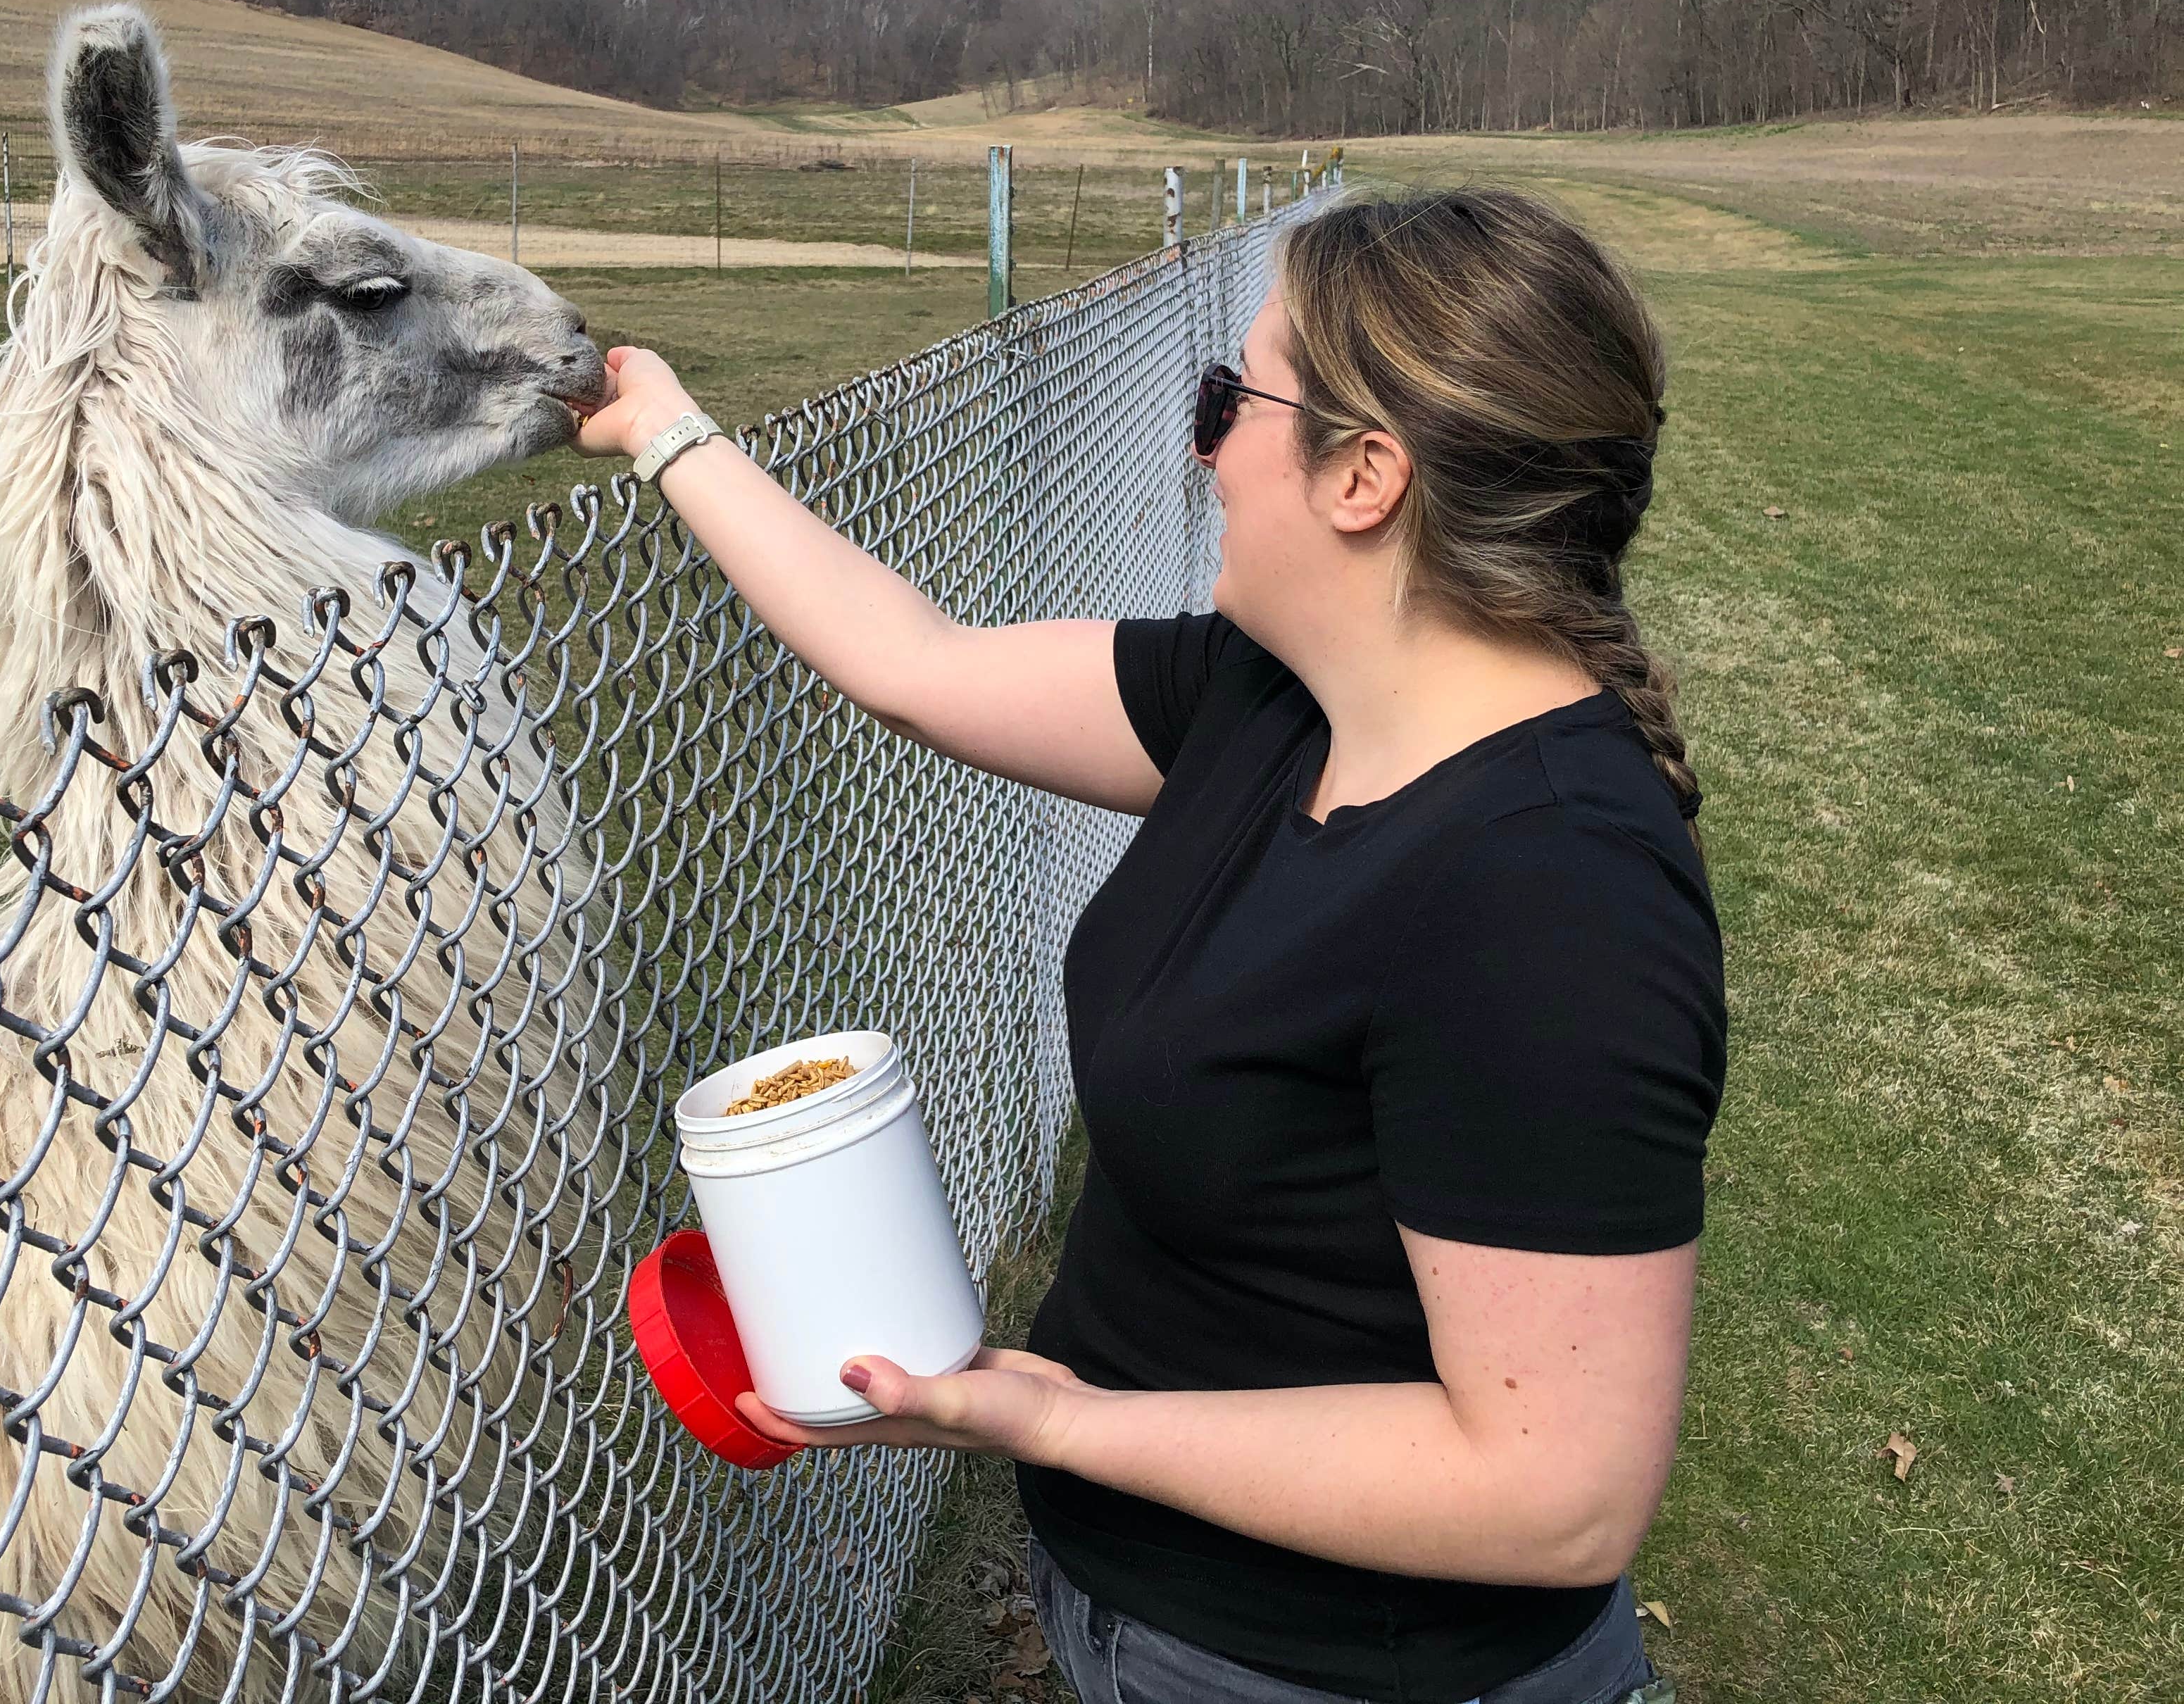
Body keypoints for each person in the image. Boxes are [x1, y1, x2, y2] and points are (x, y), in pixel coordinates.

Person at [573, 186, 1721, 1704]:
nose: (1203, 447)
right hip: (1150, 1612)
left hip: (1334, 1671)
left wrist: (1062, 1426)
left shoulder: (1549, 896)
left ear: (1366, 476)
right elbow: (918, 663)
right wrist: (666, 431)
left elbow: (1554, 1495)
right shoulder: (1280, 699)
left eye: (1231, 400)